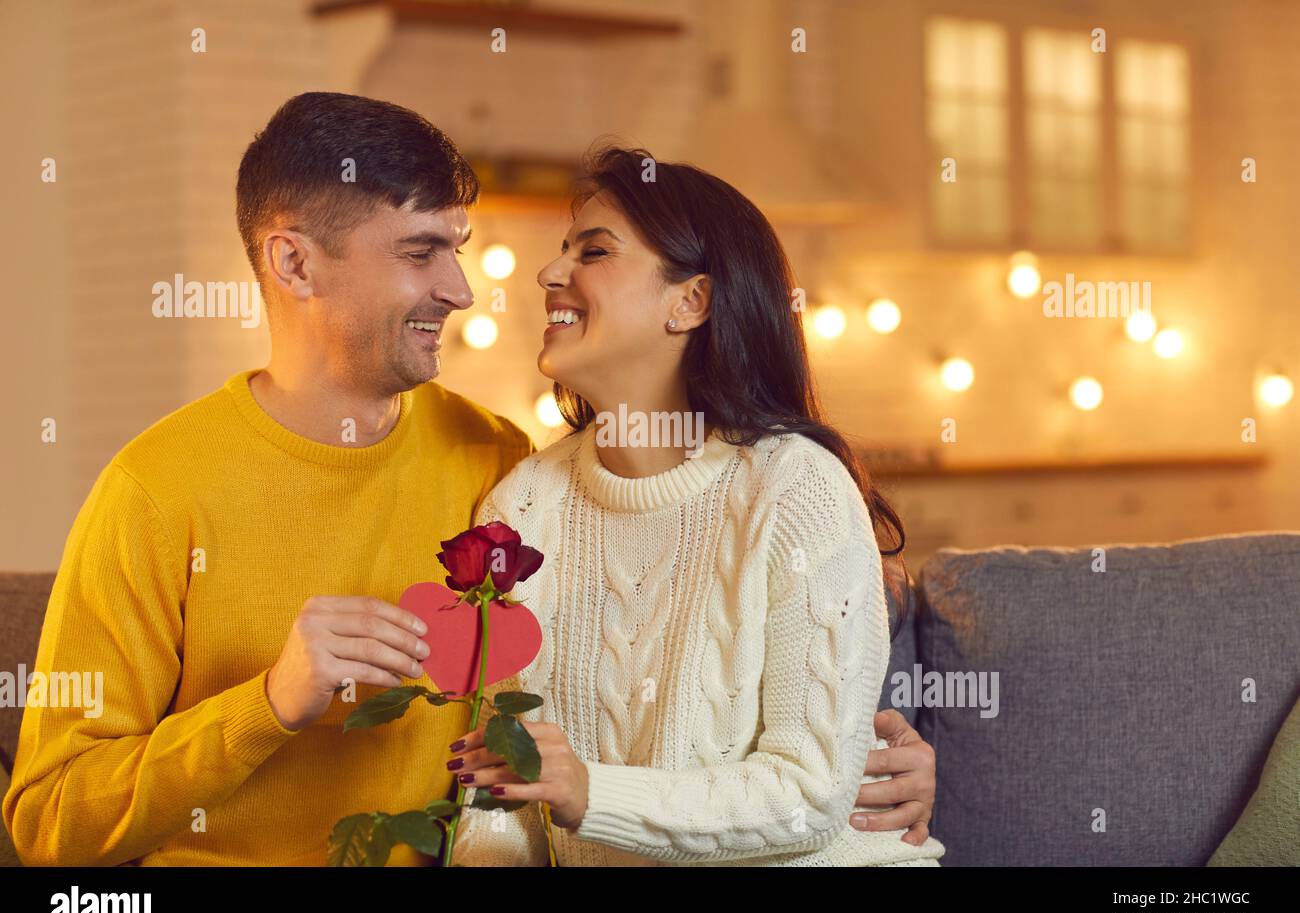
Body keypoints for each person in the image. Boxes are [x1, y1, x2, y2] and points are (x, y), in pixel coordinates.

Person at [2, 93, 934, 866]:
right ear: (294, 262)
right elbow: (47, 827)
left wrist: (861, 754)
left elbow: (644, 696)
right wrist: (267, 706)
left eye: (458, 246)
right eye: (421, 253)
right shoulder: (155, 492)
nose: (465, 289)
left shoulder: (495, 467)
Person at [450, 146, 945, 866]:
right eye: (563, 251)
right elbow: (502, 787)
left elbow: (810, 793)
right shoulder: (522, 505)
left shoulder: (794, 488)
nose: (549, 274)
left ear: (691, 301)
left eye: (594, 251)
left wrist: (593, 793)